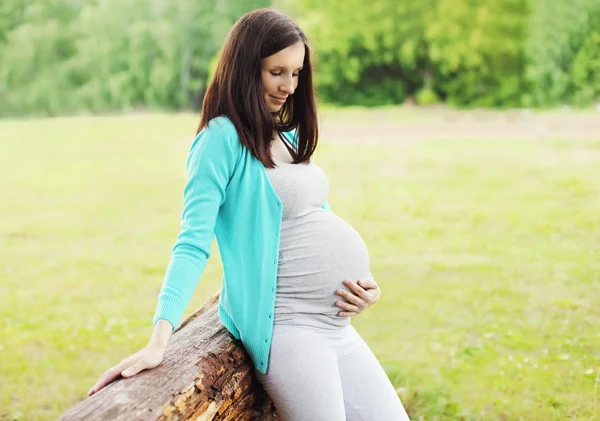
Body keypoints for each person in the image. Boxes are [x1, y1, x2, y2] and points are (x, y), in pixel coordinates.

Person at [88, 8, 409, 421]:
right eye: (277, 71)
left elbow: (314, 217)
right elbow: (191, 243)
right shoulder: (220, 140)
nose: (289, 86)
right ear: (245, 67)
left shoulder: (287, 135)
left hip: (336, 327)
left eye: (296, 73)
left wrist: (366, 286)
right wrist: (158, 340)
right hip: (290, 331)